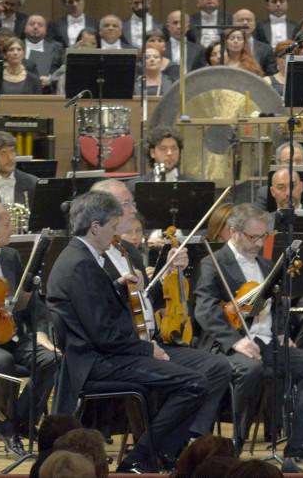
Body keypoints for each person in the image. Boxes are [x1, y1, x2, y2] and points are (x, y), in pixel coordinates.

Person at [46, 190, 207, 472]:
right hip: (95, 363)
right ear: (95, 226)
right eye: (111, 226)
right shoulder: (80, 264)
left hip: (100, 356)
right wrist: (148, 349)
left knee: (188, 377)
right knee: (194, 384)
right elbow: (103, 335)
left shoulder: (80, 257)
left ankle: (159, 454)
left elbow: (96, 311)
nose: (115, 234)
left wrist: (118, 287)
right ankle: (141, 459)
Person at [92, 181, 234, 452]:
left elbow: (146, 302)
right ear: (105, 209)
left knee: (218, 366)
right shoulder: (93, 257)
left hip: (149, 341)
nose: (134, 210)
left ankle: (190, 439)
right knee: (187, 380)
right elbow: (103, 315)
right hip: (121, 350)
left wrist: (171, 272)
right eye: (127, 204)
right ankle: (152, 450)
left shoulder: (128, 251)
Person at [191, 203, 303, 464]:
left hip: (267, 342)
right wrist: (235, 341)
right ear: (233, 232)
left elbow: (278, 305)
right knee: (250, 370)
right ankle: (236, 443)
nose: (258, 243)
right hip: (230, 345)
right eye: (252, 237)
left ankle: (300, 442)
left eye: (263, 236)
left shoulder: (267, 265)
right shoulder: (213, 263)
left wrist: (280, 332)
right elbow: (205, 311)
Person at [0, 200, 57, 454]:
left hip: (11, 335)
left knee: (51, 358)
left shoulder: (9, 255)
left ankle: (20, 422)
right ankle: (6, 427)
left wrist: (41, 332)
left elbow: (32, 302)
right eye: (8, 224)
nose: (13, 229)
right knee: (1, 362)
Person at [22, 14, 64, 92]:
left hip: (49, 91)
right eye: (31, 24)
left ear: (45, 30)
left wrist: (51, 79)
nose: (35, 27)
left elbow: (64, 69)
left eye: (40, 25)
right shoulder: (16, 46)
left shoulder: (57, 47)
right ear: (25, 28)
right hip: (22, 90)